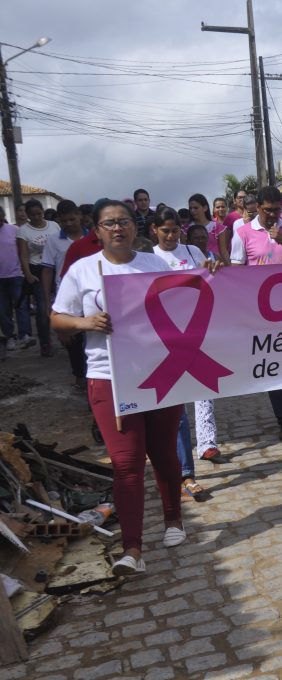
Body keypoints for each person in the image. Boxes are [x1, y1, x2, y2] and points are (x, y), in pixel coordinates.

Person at [51, 199, 187, 575]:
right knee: (126, 463)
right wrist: (85, 323)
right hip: (108, 377)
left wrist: (212, 276)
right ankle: (132, 550)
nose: (117, 228)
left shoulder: (153, 264)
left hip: (158, 374)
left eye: (123, 221)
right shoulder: (82, 271)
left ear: (133, 226)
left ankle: (174, 519)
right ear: (96, 230)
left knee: (164, 452)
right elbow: (57, 319)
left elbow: (180, 305)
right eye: (109, 223)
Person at [150, 207, 223, 498]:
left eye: (175, 230)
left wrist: (213, 270)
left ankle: (207, 443)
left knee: (204, 391)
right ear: (154, 230)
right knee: (177, 408)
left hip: (195, 332)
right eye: (165, 231)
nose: (171, 236)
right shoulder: (148, 258)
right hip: (166, 338)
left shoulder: (192, 252)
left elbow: (211, 280)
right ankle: (185, 473)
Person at [230, 186, 282, 441]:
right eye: (268, 210)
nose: (273, 215)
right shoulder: (242, 233)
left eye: (277, 210)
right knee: (274, 364)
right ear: (257, 208)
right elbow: (236, 273)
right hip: (262, 312)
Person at [42, 201, 87, 387]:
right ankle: (79, 375)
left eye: (72, 219)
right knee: (71, 337)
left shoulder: (94, 237)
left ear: (79, 216)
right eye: (64, 221)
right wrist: (47, 300)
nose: (69, 224)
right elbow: (47, 270)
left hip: (90, 294)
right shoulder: (53, 241)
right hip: (66, 295)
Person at [16, 199, 60, 356]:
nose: (36, 217)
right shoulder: (23, 231)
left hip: (56, 268)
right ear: (27, 215)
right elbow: (23, 255)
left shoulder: (54, 226)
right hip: (37, 270)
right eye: (32, 214)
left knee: (62, 304)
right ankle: (45, 343)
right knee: (42, 308)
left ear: (43, 211)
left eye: (38, 213)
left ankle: (67, 336)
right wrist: (28, 274)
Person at [0, 208, 31, 352]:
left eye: (1, 217)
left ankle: (24, 335)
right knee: (3, 310)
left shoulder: (14, 230)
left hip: (16, 275)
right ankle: (9, 336)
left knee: (21, 306)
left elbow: (24, 251)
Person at [188, 193, 225, 263]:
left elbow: (223, 252)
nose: (192, 211)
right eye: (190, 208)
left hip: (215, 264)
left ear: (205, 208)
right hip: (194, 265)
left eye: (196, 208)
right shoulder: (185, 229)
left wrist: (230, 268)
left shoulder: (217, 227)